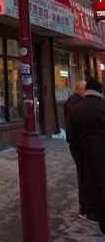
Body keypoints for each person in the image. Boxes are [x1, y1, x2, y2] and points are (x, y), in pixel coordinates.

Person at [72, 77, 105, 232]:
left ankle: (91, 211)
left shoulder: (78, 108)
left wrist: (77, 152)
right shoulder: (103, 106)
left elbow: (71, 135)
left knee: (88, 182)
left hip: (85, 152)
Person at [64, 80, 86, 215]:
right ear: (79, 90)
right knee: (83, 173)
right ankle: (86, 206)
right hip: (78, 143)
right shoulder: (75, 103)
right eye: (85, 89)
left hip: (78, 142)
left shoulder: (76, 101)